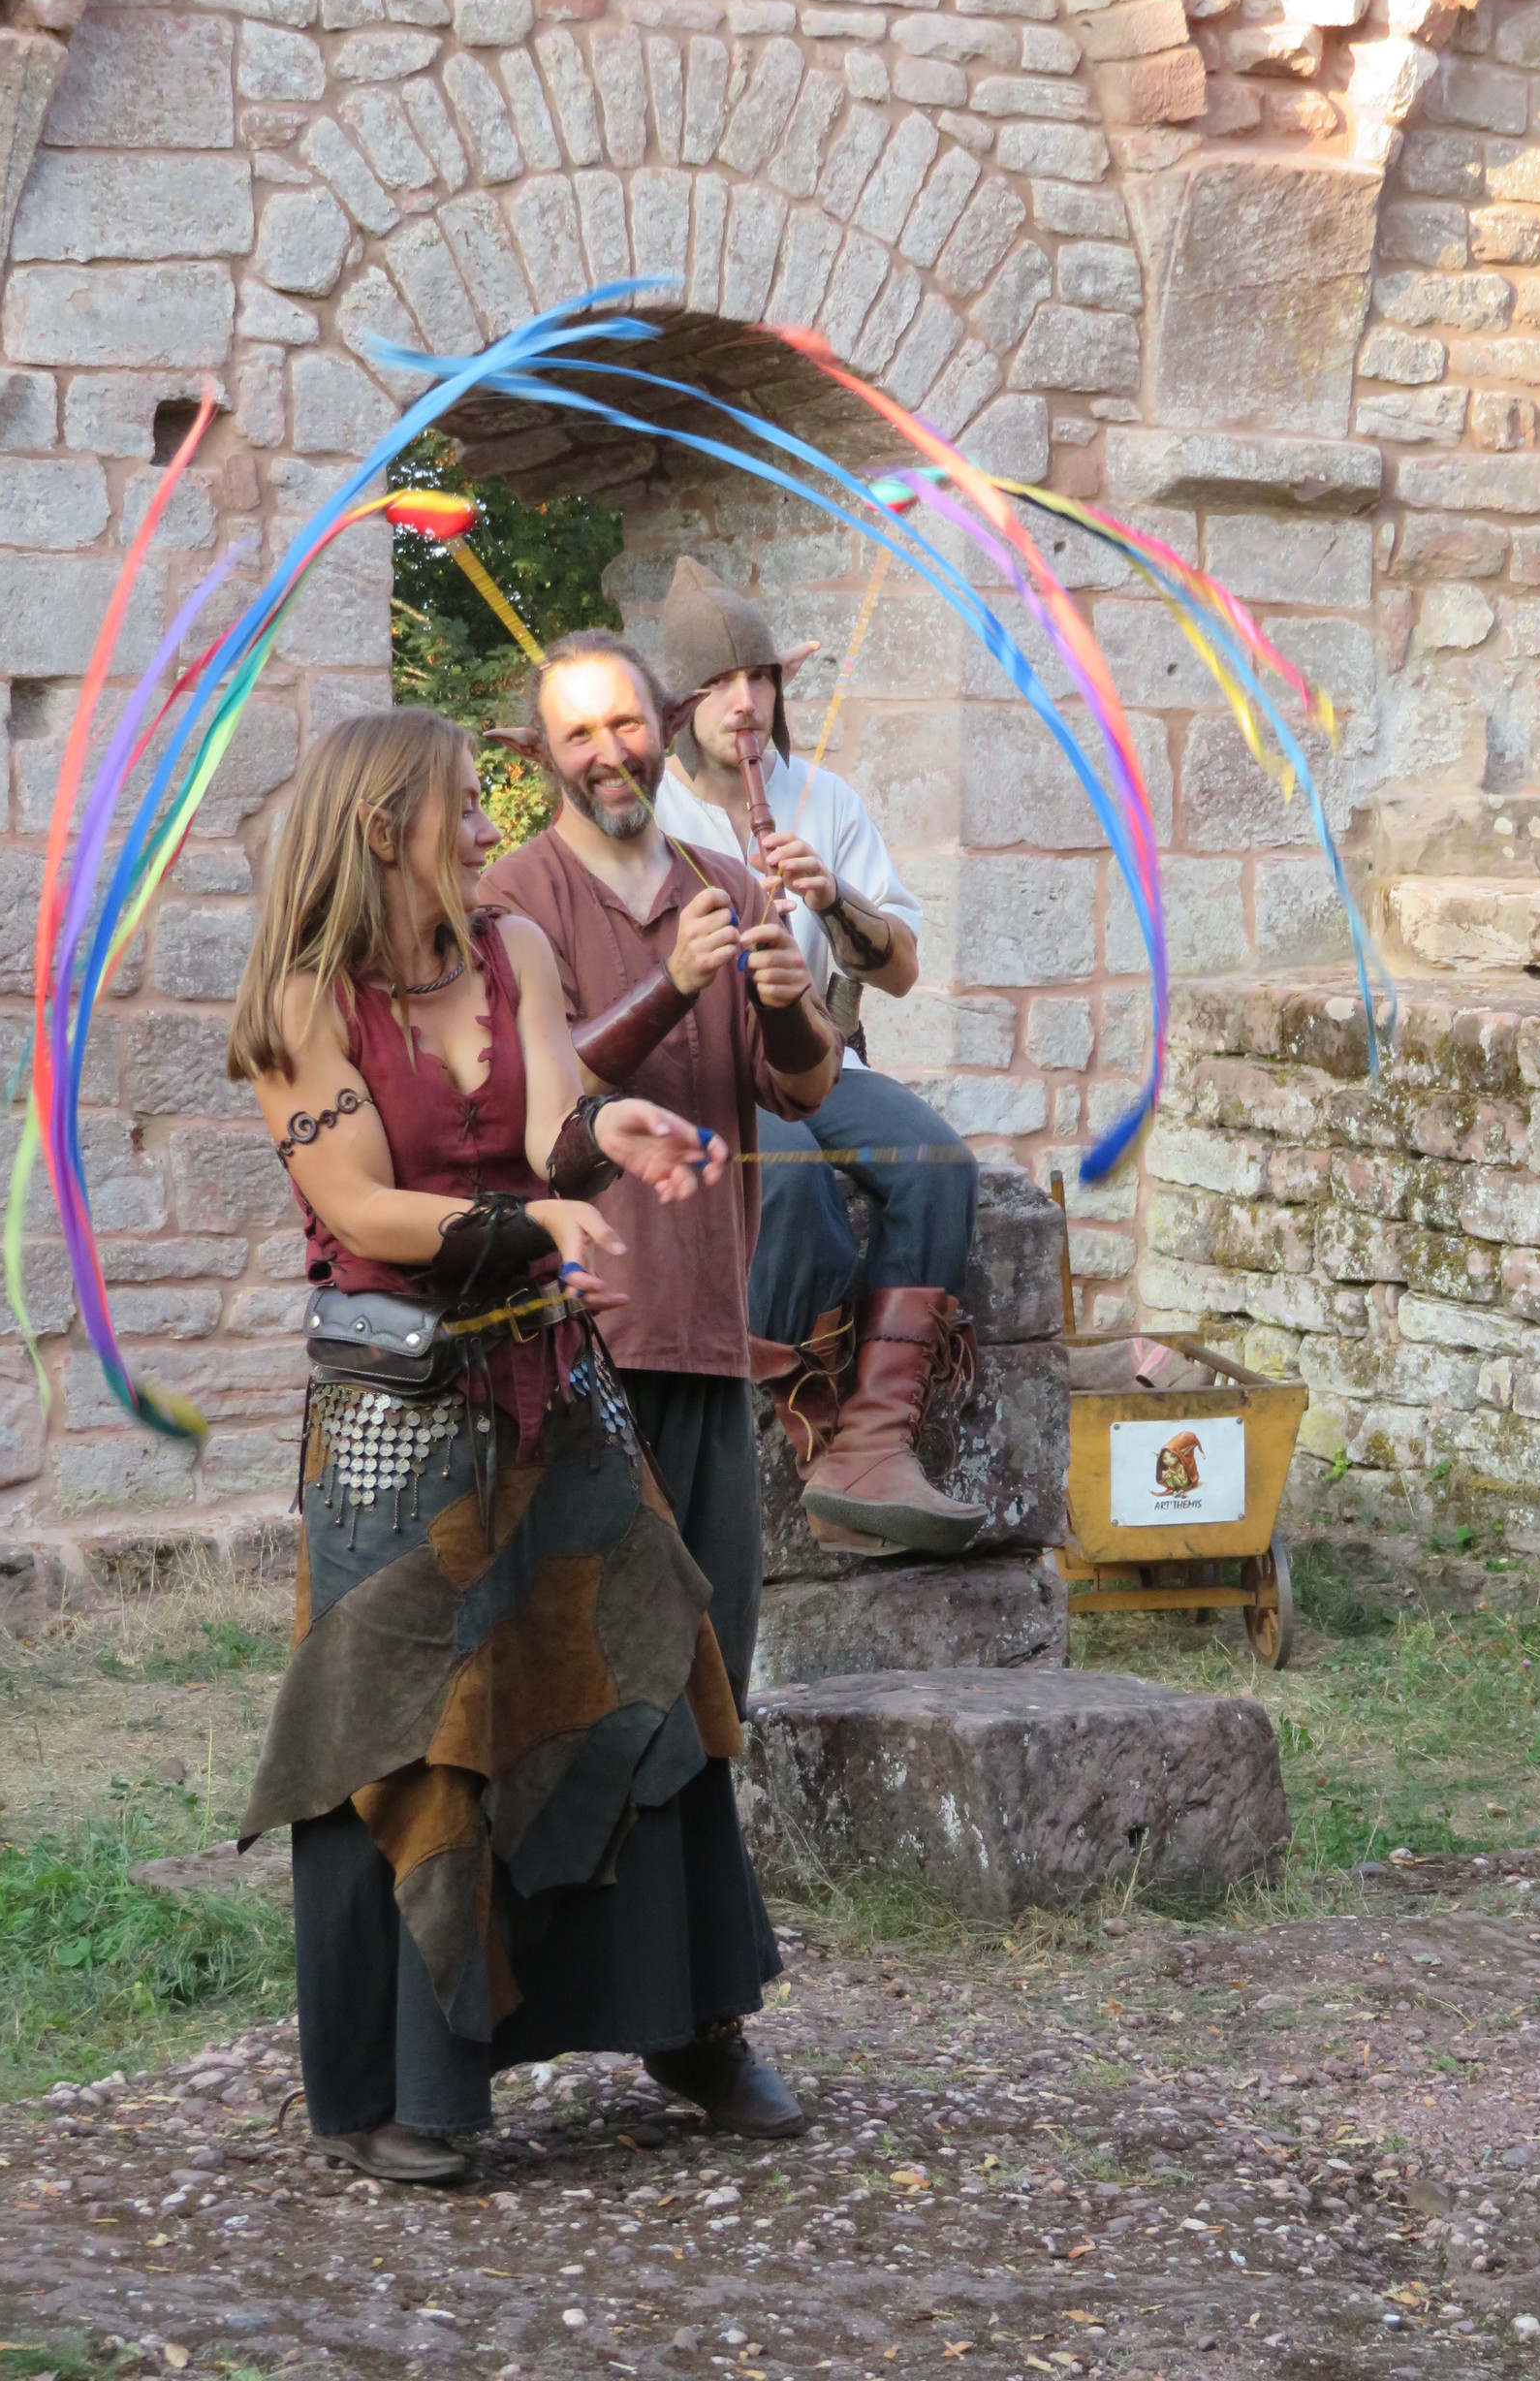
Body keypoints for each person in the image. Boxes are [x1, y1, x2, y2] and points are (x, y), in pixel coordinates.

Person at [230, 707, 785, 2185]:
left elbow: (553, 1123)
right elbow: (362, 1208)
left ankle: (692, 2026)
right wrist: (532, 1223)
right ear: (381, 827)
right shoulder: (298, 1005)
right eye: (466, 806)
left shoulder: (512, 952)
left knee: (652, 1668)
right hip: (395, 1425)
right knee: (402, 1735)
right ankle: (396, 2090)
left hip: (554, 1389)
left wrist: (615, 1137)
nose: (491, 829)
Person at [482, 629, 839, 2129]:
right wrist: (673, 987)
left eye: (626, 722)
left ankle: (698, 2025)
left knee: (707, 1687)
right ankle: (499, 2021)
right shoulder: (513, 901)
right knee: (571, 1688)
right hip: (568, 1352)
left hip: (705, 1336)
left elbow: (802, 1083)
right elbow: (541, 1104)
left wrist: (780, 990)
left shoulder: (727, 883)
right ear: (539, 755)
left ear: (663, 724)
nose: (610, 751)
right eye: (578, 733)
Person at [652, 557, 984, 1557]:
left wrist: (834, 899)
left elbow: (902, 972)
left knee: (939, 1165)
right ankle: (824, 1437)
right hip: (698, 1072)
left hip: (817, 1055)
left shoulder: (822, 798)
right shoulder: (648, 812)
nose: (745, 704)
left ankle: (879, 1437)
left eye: (760, 679)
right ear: (680, 706)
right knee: (787, 1180)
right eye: (719, 684)